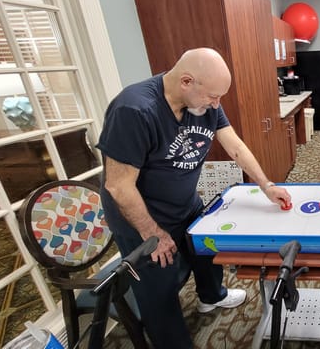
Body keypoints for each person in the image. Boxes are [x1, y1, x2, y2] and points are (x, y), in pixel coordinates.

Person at [97, 47, 292, 349]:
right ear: (187, 81)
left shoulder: (205, 102)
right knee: (158, 290)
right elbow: (118, 186)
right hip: (141, 218)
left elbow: (235, 146)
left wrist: (266, 185)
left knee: (204, 253)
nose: (217, 104)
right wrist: (153, 233)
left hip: (184, 203)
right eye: (213, 96)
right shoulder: (134, 110)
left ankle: (212, 297)